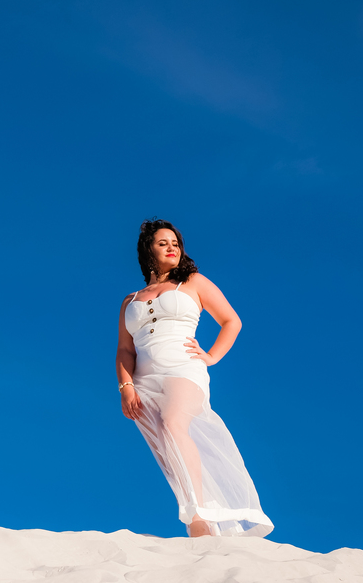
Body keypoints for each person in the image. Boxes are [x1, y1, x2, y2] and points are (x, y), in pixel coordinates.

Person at [117, 219, 273, 538]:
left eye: (175, 243)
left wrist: (211, 356)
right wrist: (126, 387)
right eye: (163, 243)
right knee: (165, 445)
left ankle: (198, 516)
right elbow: (125, 349)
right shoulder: (129, 300)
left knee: (173, 423)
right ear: (147, 249)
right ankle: (195, 514)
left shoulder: (193, 282)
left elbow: (231, 321)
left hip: (183, 368)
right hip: (143, 380)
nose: (172, 248)